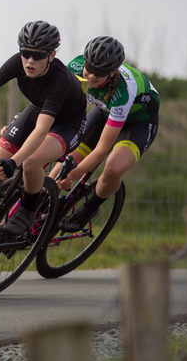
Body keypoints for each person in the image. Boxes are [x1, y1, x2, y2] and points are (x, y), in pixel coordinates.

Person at [0, 20, 87, 237]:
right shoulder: (17, 63)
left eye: (38, 55)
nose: (30, 60)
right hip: (38, 110)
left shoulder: (59, 79)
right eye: (25, 53)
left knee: (31, 162)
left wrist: (14, 162)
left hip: (67, 124)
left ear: (52, 55)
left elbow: (41, 130)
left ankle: (29, 209)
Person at [55, 36, 160, 231]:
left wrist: (74, 174)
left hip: (138, 123)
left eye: (100, 73)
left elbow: (102, 149)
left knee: (112, 167)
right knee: (65, 162)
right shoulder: (75, 67)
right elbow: (56, 107)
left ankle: (89, 208)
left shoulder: (123, 93)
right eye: (90, 68)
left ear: (112, 72)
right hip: (105, 112)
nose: (92, 76)